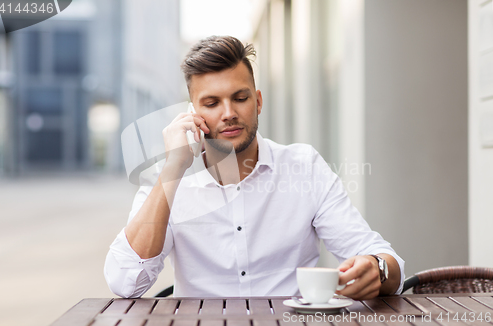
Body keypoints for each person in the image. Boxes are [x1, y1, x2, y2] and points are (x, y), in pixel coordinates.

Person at [104, 35, 405, 299]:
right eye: (211, 103)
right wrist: (172, 169)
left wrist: (376, 269)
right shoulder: (168, 180)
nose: (229, 113)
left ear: (258, 102)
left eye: (240, 98)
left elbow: (387, 262)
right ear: (193, 114)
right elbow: (125, 282)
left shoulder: (305, 167)